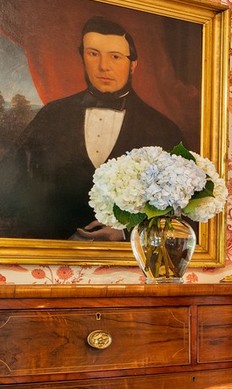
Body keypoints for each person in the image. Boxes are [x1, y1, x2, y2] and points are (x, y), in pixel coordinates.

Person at [0, 16, 186, 240]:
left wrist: (127, 233)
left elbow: (180, 213)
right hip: (48, 252)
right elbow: (9, 186)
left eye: (115, 57)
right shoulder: (52, 114)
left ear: (133, 64)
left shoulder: (163, 129)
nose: (103, 66)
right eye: (93, 54)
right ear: (82, 57)